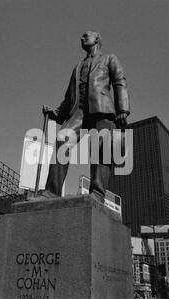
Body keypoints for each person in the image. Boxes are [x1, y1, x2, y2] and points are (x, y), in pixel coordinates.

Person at [31, 30, 130, 202]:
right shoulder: (77, 67)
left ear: (97, 39)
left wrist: (123, 109)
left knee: (101, 151)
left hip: (102, 109)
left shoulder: (109, 59)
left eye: (86, 35)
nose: (81, 38)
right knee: (62, 139)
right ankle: (51, 191)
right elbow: (69, 97)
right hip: (79, 112)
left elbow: (120, 81)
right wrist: (57, 113)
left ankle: (97, 193)